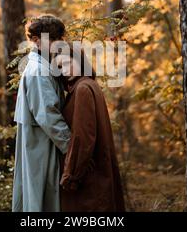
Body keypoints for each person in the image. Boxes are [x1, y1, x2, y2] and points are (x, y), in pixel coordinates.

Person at [12, 15, 71, 212]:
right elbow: (48, 116)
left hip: (42, 144)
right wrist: (72, 147)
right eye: (52, 39)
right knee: (41, 201)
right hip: (40, 147)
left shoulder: (45, 67)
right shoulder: (38, 71)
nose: (57, 44)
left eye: (58, 38)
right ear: (36, 40)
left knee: (40, 199)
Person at [56, 45, 126, 212]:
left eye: (67, 63)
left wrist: (71, 176)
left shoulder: (82, 89)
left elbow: (83, 137)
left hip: (88, 176)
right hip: (96, 172)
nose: (65, 70)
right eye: (60, 66)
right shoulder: (90, 84)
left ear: (80, 60)